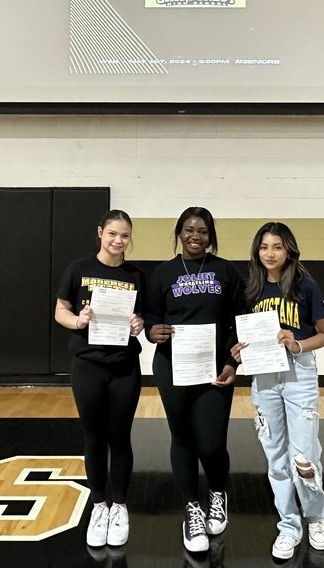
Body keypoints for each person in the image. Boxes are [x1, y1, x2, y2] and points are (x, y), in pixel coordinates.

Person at [144, 206, 244, 553]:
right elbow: (151, 319)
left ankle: (218, 493)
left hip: (215, 367)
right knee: (182, 437)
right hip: (173, 367)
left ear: (211, 236)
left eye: (202, 231)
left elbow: (239, 320)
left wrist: (233, 360)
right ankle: (192, 508)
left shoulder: (226, 272)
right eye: (188, 230)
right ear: (179, 233)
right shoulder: (162, 274)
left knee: (213, 443)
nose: (195, 236)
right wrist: (152, 332)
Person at [232, 222, 324, 560]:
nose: (269, 253)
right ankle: (289, 526)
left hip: (298, 374)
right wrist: (239, 350)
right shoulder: (252, 289)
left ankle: (316, 517)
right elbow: (248, 336)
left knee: (303, 457)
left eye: (276, 246)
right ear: (257, 252)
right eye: (263, 247)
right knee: (275, 456)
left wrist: (297, 344)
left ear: (288, 250)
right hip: (264, 378)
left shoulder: (305, 286)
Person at [54, 209, 146, 549]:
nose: (118, 240)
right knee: (94, 436)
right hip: (88, 364)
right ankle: (99, 504)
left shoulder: (136, 274)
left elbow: (144, 318)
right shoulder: (78, 268)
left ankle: (119, 504)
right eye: (112, 234)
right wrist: (77, 321)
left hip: (124, 366)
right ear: (100, 233)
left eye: (124, 235)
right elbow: (60, 309)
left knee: (120, 436)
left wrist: (139, 325)